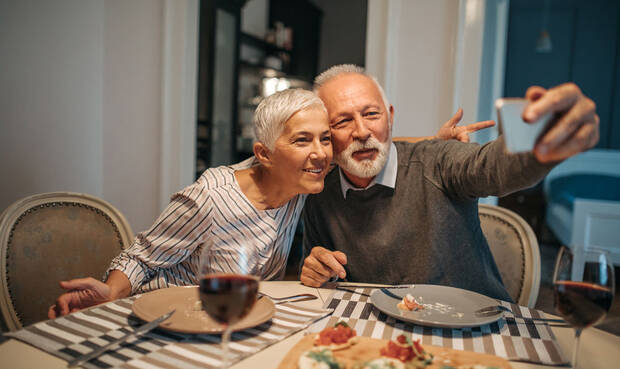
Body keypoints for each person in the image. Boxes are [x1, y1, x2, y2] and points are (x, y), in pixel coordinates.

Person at [48, 88, 491, 318]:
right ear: (263, 154)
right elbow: (143, 256)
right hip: (170, 321)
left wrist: (431, 142)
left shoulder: (307, 175)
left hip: (238, 321)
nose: (320, 152)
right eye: (303, 140)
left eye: (323, 138)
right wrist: (112, 290)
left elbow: (357, 146)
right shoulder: (211, 197)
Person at [299, 64, 599, 301]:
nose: (362, 131)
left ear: (389, 117)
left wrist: (540, 143)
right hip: (380, 337)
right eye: (342, 122)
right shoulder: (318, 193)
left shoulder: (437, 161)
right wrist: (316, 272)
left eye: (371, 114)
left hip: (478, 331)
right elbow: (323, 276)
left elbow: (493, 166)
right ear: (325, 133)